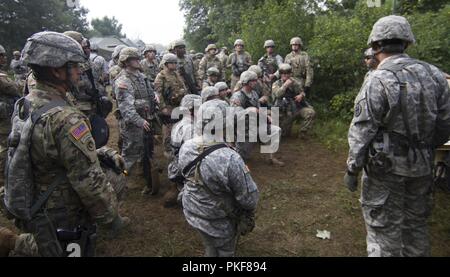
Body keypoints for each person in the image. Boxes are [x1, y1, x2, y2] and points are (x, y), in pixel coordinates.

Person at [4, 31, 129, 257]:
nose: (80, 71)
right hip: (60, 208)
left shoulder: (28, 102)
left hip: (35, 194)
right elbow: (88, 181)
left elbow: (49, 150)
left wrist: (99, 151)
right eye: (74, 66)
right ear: (56, 70)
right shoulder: (66, 118)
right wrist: (112, 219)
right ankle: (18, 244)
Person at [344, 15, 450, 257]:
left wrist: (352, 169)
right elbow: (445, 124)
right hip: (422, 167)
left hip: (385, 171)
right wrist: (424, 149)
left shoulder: (377, 80)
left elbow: (362, 131)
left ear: (375, 45)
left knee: (383, 235)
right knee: (416, 229)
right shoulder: (435, 75)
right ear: (407, 43)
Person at [179, 99, 259, 257]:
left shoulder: (186, 147)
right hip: (219, 218)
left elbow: (184, 175)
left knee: (209, 243)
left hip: (193, 210)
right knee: (226, 250)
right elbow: (249, 199)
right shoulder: (231, 158)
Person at [114, 47, 160, 195]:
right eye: (134, 59)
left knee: (146, 152)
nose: (138, 61)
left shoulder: (141, 76)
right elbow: (126, 108)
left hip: (146, 120)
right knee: (129, 157)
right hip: (134, 124)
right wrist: (139, 121)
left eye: (138, 58)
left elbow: (150, 93)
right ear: (126, 61)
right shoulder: (123, 81)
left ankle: (148, 183)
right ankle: (119, 182)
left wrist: (154, 98)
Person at [231, 71, 284, 166]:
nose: (256, 82)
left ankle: (270, 157)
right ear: (247, 82)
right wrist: (248, 110)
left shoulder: (254, 94)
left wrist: (266, 115)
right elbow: (235, 115)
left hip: (257, 126)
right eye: (254, 80)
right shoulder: (237, 96)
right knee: (242, 157)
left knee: (276, 130)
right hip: (244, 131)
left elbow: (258, 109)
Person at [166, 94, 202, 208]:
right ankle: (185, 195)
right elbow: (196, 154)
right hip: (185, 168)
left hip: (175, 165)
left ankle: (178, 187)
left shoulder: (178, 124)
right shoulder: (191, 129)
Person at [154, 53, 187, 156]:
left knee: (179, 126)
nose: (174, 65)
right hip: (167, 106)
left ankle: (178, 144)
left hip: (178, 105)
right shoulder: (161, 76)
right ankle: (167, 149)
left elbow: (183, 87)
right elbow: (158, 94)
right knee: (168, 129)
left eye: (175, 63)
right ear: (166, 64)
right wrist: (163, 107)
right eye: (171, 63)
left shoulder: (176, 74)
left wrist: (182, 93)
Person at [272, 64, 316, 138]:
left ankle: (303, 133)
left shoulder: (295, 83)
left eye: (287, 73)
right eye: (283, 73)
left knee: (310, 113)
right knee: (284, 134)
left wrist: (301, 95)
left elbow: (302, 92)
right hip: (284, 111)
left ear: (290, 74)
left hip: (296, 108)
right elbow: (277, 94)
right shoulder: (276, 84)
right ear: (280, 74)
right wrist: (285, 85)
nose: (285, 75)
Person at [0, 44, 21, 187]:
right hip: (4, 122)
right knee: (5, 149)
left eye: (3, 55)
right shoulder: (2, 78)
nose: (3, 58)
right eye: (0, 56)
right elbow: (14, 89)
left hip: (6, 118)